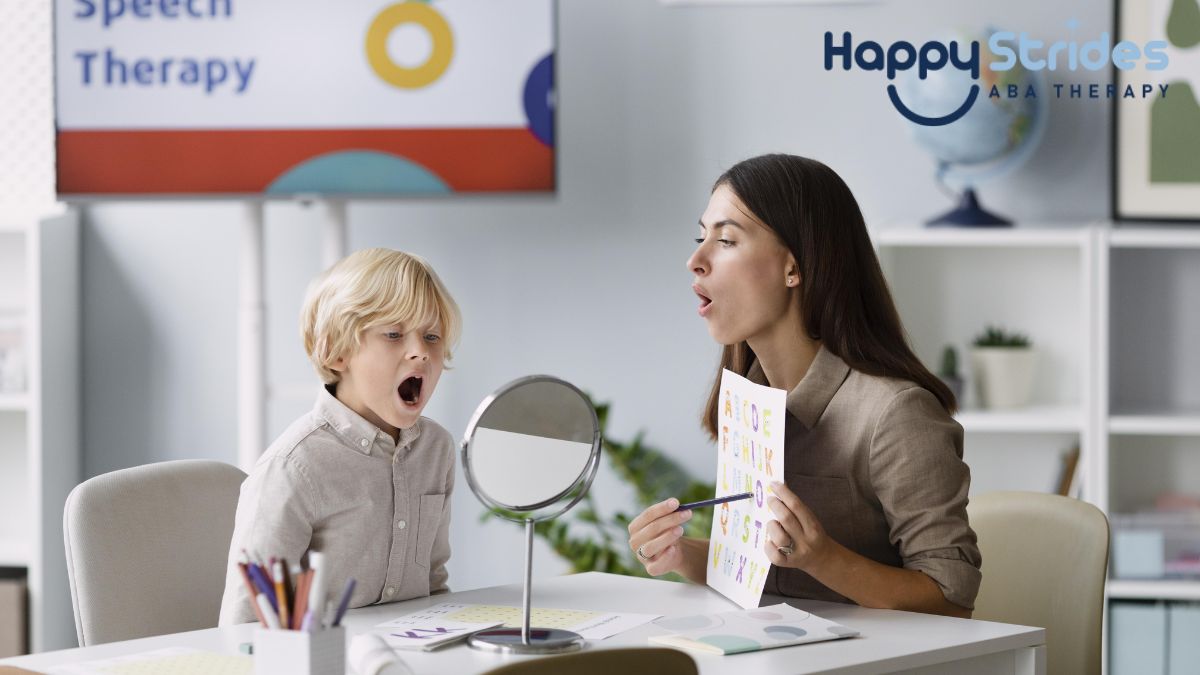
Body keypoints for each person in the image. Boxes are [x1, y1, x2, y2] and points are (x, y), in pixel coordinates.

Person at [626, 154, 981, 618]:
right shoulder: (747, 399)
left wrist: (824, 558)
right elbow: (771, 572)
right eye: (701, 238)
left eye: (726, 240)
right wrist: (680, 554)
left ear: (794, 269)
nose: (695, 260)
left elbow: (951, 599)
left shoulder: (896, 413)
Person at [219, 248, 462, 625]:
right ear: (335, 351)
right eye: (394, 334)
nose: (421, 353)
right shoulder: (292, 468)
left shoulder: (437, 450)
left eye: (432, 336)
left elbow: (433, 585)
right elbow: (245, 624)